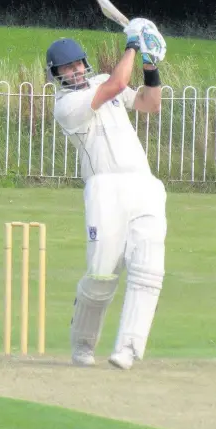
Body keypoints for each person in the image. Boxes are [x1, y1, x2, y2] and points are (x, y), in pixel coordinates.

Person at [46, 18, 168, 370]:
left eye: (78, 64)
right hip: (104, 188)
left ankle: (129, 347)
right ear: (57, 75)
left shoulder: (101, 81)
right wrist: (132, 43)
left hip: (143, 183)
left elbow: (149, 104)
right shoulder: (66, 106)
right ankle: (83, 345)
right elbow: (116, 84)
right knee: (102, 275)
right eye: (67, 68)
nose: (76, 71)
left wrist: (150, 64)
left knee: (148, 268)